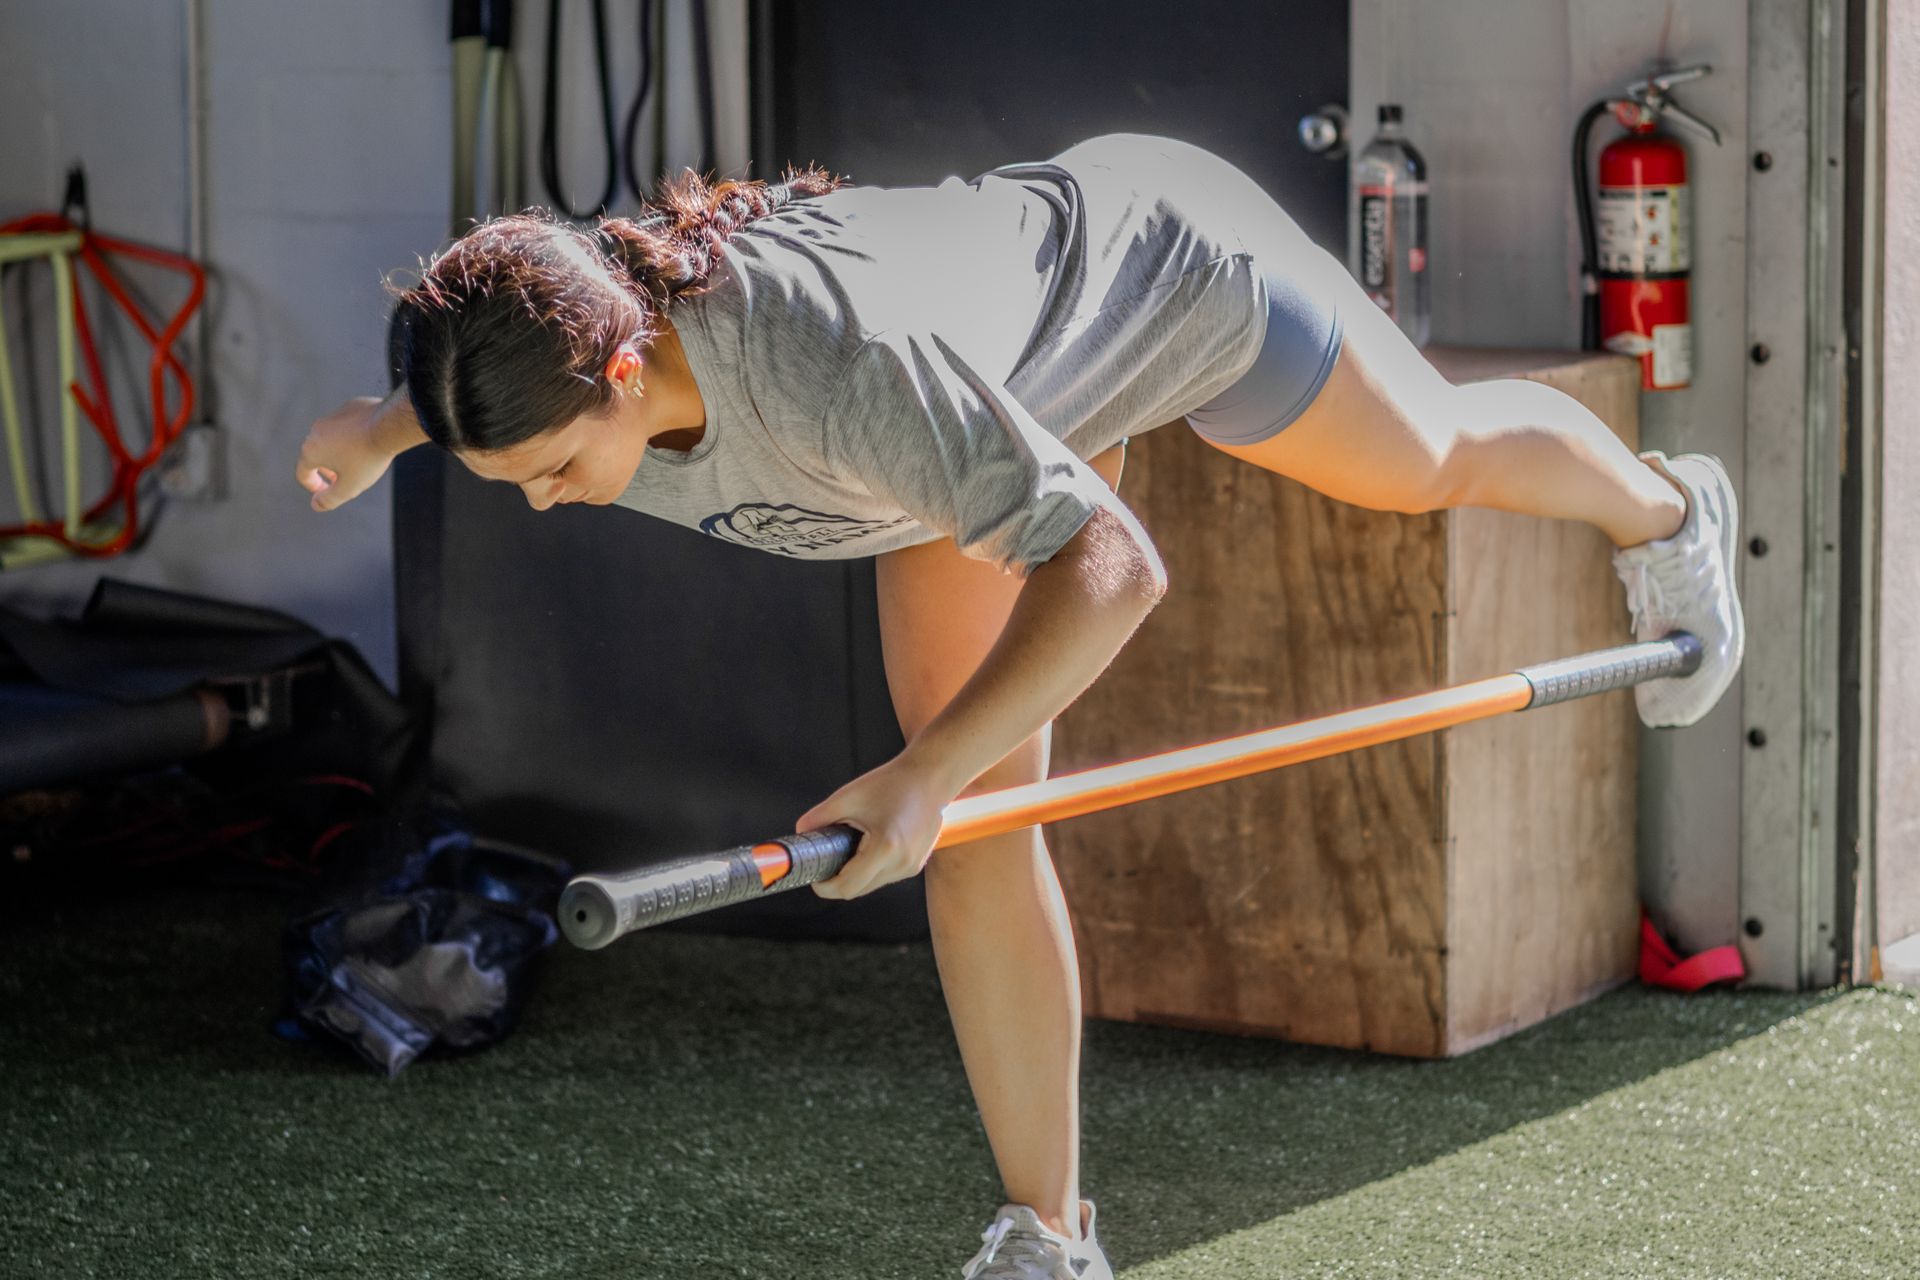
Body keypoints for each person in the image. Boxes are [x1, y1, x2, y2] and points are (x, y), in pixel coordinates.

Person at [295, 133, 1744, 1280]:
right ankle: (1049, 1238)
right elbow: (474, 377)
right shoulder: (544, 352)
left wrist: (924, 771)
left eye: (554, 470)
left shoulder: (833, 369)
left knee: (1427, 455)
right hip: (966, 418)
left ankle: (1666, 508)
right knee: (984, 825)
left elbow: (1114, 568)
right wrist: (375, 432)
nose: (548, 506)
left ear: (625, 368)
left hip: (1172, 280)